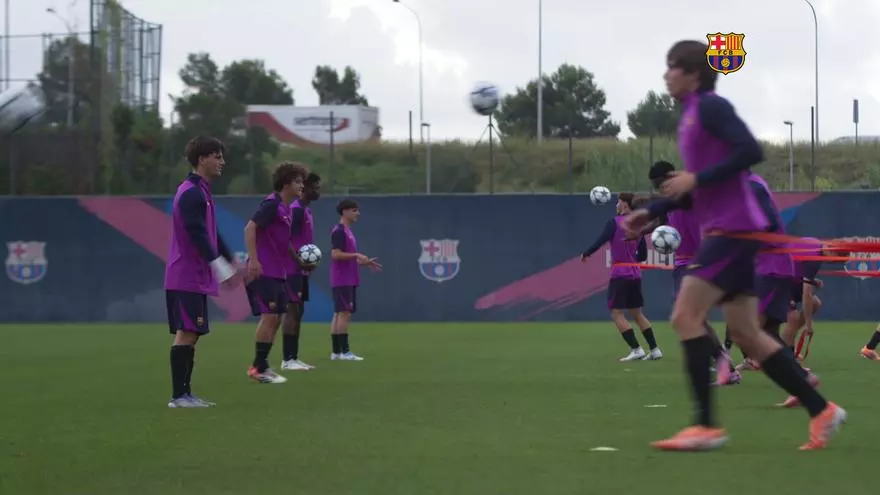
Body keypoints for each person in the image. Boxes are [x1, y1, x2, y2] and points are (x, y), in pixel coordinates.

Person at [623, 39, 845, 451]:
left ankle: (705, 426)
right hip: (729, 230)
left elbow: (750, 150)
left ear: (691, 73)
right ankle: (822, 410)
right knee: (747, 333)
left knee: (686, 315)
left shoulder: (710, 106)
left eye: (672, 66)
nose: (666, 74)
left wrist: (695, 180)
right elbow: (700, 187)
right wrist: (653, 209)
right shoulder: (691, 117)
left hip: (733, 230)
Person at [648, 161, 738, 385]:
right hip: (683, 263)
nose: (658, 188)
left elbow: (701, 231)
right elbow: (661, 218)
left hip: (695, 263)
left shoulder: (689, 197)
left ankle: (719, 362)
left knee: (686, 315)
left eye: (659, 183)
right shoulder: (673, 201)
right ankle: (723, 364)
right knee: (694, 318)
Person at [165, 136, 239, 408]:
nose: (222, 162)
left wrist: (230, 260)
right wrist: (220, 267)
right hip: (185, 274)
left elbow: (211, 232)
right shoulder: (190, 192)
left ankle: (185, 394)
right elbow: (196, 233)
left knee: (192, 333)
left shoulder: (202, 192)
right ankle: (178, 396)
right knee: (186, 332)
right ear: (201, 159)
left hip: (193, 276)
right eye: (216, 156)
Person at [244, 162, 308, 384]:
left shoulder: (287, 208)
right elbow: (250, 228)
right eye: (298, 181)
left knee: (278, 318)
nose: (302, 186)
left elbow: (284, 241)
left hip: (279, 272)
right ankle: (257, 368)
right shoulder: (271, 204)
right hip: (265, 271)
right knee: (269, 316)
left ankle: (262, 365)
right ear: (286, 183)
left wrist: (298, 259)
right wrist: (254, 259)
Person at [581, 192, 662, 362]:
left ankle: (636, 349)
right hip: (635, 273)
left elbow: (601, 240)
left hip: (620, 273)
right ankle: (654, 349)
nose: (616, 205)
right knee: (637, 313)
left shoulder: (614, 223)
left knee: (617, 313)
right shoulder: (639, 225)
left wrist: (587, 253)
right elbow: (642, 256)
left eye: (618, 202)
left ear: (625, 204)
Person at [330, 199, 382, 360]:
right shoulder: (339, 231)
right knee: (344, 313)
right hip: (343, 279)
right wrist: (356, 255)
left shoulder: (347, 231)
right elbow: (335, 254)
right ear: (344, 212)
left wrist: (364, 262)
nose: (357, 213)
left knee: (339, 313)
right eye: (354, 210)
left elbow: (347, 258)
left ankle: (337, 352)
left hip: (348, 278)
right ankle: (345, 352)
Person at [281, 172, 322, 371]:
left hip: (301, 269)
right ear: (304, 188)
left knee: (299, 311)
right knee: (292, 310)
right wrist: (299, 261)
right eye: (316, 187)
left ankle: (294, 357)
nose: (318, 190)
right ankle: (287, 359)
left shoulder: (306, 210)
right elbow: (285, 239)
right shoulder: (295, 210)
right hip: (291, 269)